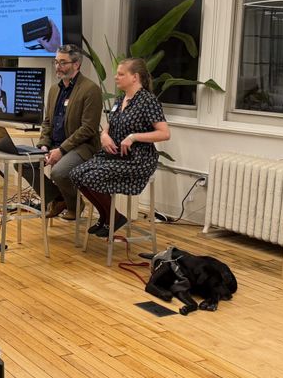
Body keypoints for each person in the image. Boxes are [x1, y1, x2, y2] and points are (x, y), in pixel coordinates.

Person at [70, 58, 170, 238]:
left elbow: (164, 133)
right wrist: (104, 135)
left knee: (93, 177)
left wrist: (133, 137)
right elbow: (110, 125)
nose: (116, 77)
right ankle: (107, 216)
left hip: (137, 159)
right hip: (113, 154)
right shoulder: (120, 99)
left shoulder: (148, 101)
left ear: (135, 77)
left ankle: (113, 217)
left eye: (121, 74)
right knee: (76, 174)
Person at [19, 44, 102, 221]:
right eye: (56, 62)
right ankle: (57, 199)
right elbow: (47, 121)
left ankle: (74, 205)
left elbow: (88, 128)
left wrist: (61, 150)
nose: (58, 66)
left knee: (59, 172)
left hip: (81, 147)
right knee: (22, 163)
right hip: (54, 145)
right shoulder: (53, 89)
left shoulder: (90, 89)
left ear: (77, 64)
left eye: (63, 62)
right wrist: (43, 145)